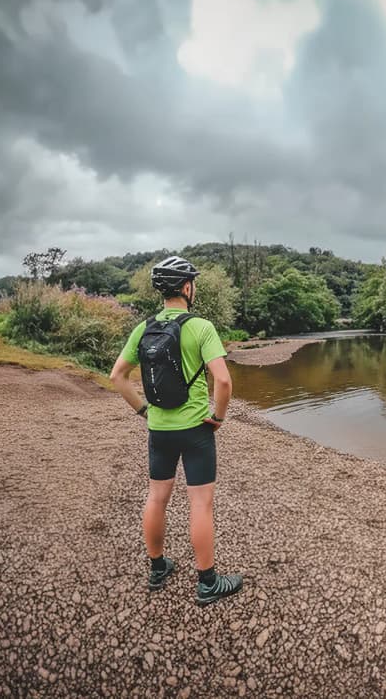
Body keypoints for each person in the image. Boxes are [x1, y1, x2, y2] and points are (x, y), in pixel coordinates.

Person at [109, 255, 243, 605]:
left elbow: (116, 377)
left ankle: (157, 568)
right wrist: (219, 416)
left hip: (159, 429)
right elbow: (224, 381)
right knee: (200, 504)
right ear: (187, 287)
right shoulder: (201, 327)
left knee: (157, 497)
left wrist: (142, 409)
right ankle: (208, 582)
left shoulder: (143, 328)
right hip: (197, 429)